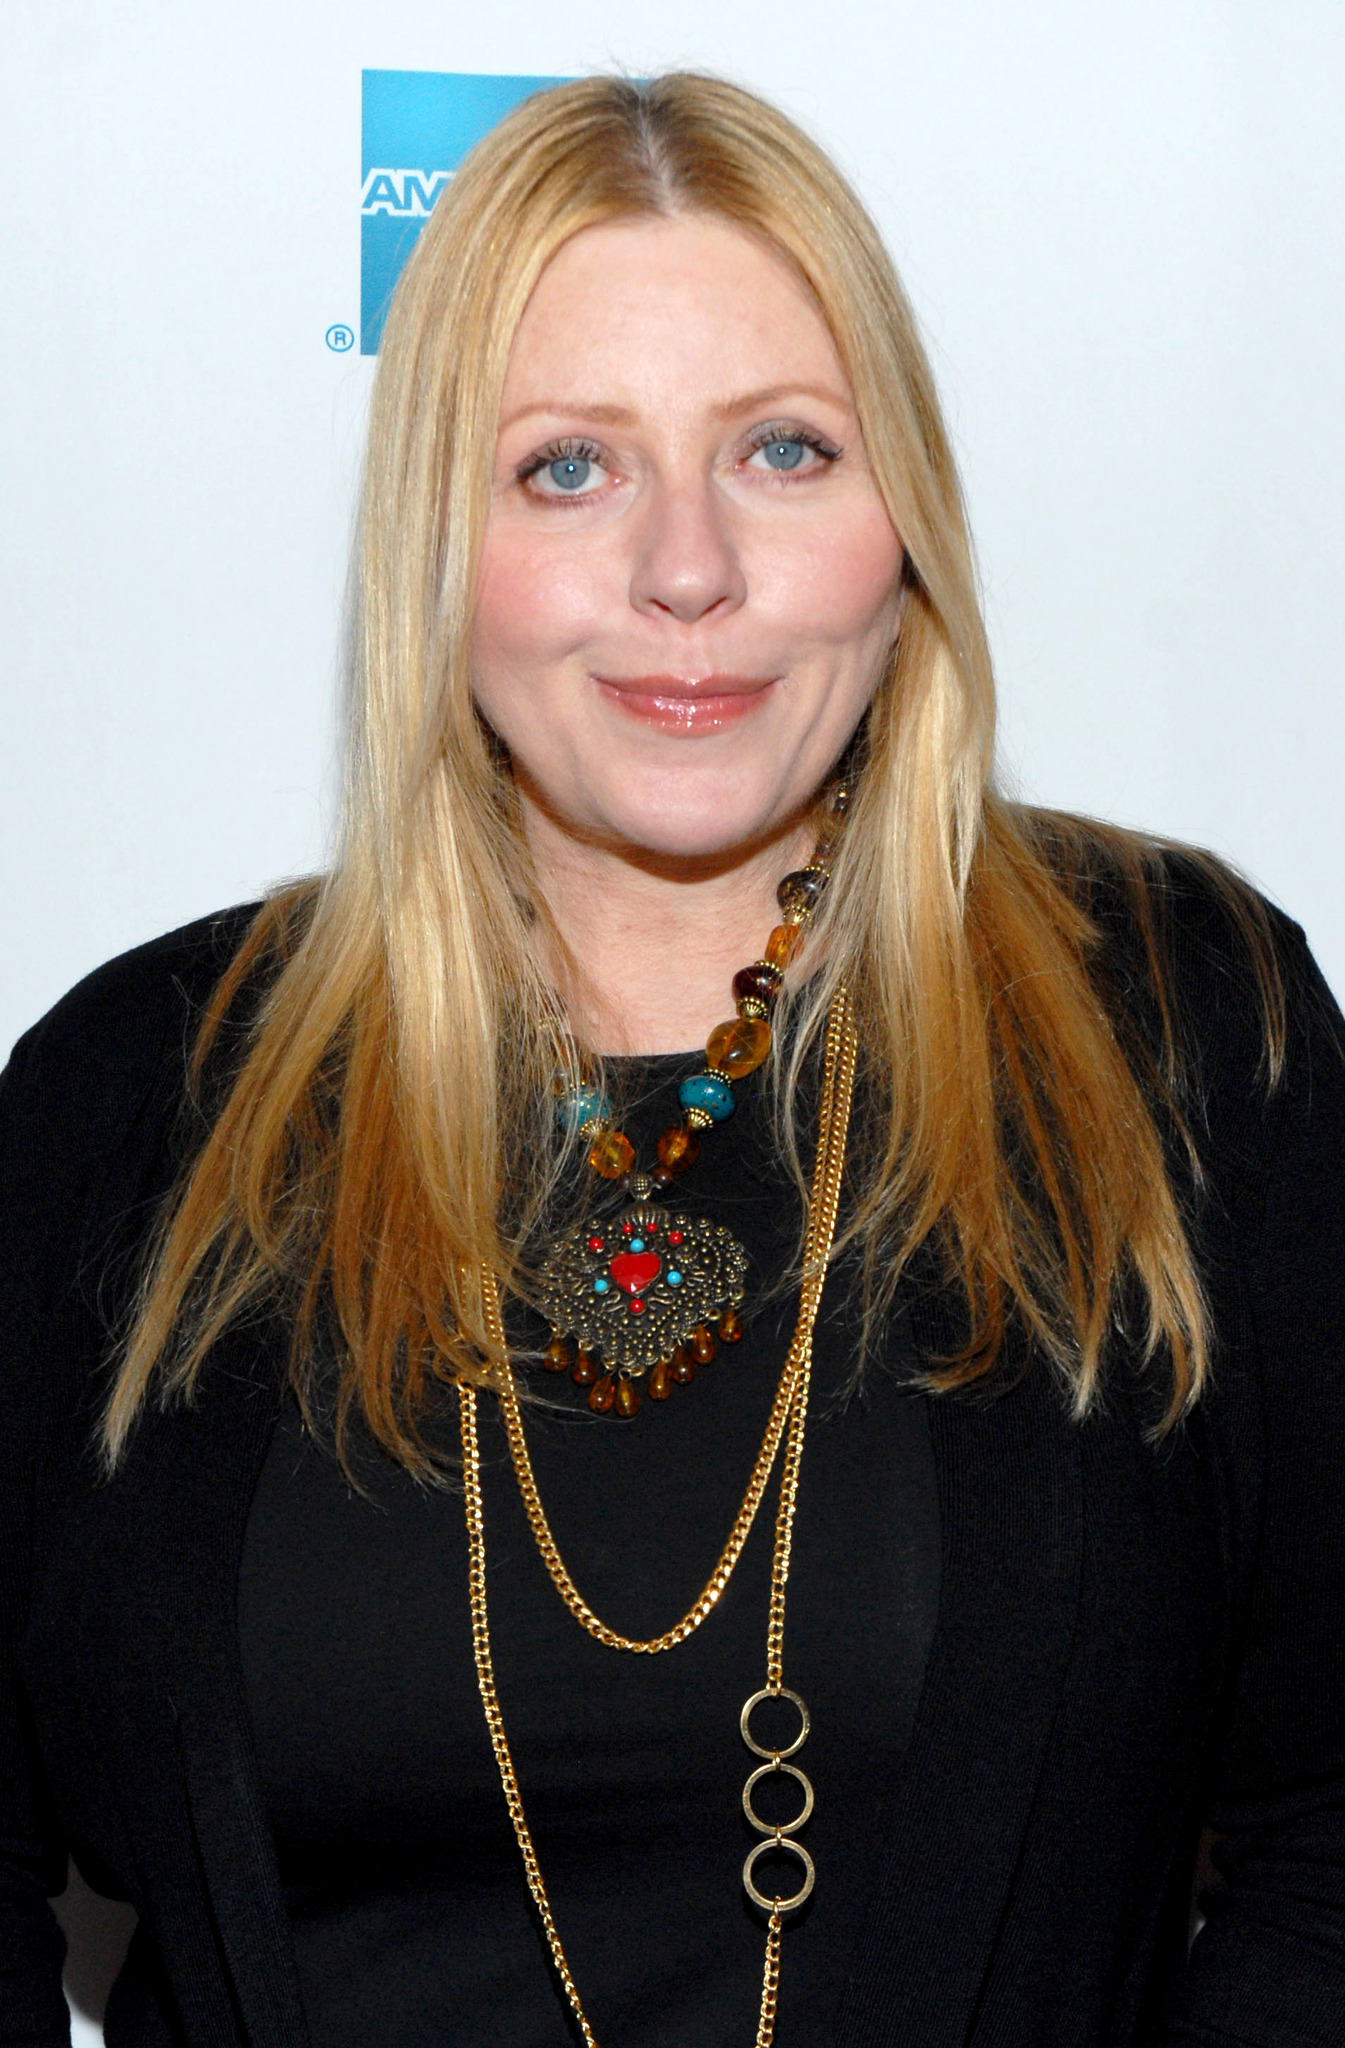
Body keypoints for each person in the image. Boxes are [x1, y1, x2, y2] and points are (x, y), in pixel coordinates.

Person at [2, 70, 1343, 2048]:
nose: (688, 567)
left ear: (905, 520)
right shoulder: (138, 1096)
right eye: (567, 467)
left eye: (785, 449)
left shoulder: (1183, 1021)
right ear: (433, 539)